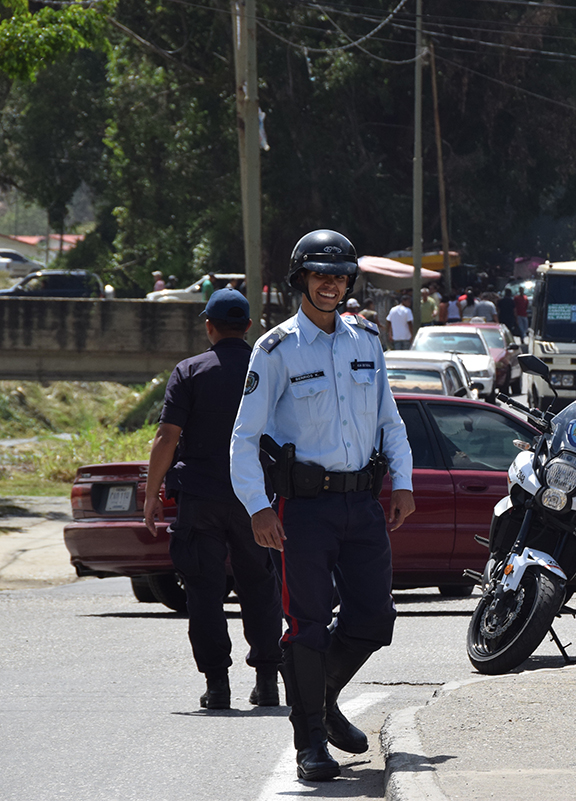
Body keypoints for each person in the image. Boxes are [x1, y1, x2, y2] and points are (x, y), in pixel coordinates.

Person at [230, 229, 416, 782]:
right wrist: (258, 507)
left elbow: (390, 420)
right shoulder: (275, 349)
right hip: (302, 512)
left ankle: (323, 697)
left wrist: (402, 481)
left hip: (362, 503)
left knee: (375, 619)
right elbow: (244, 437)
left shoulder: (366, 341)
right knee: (307, 624)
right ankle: (310, 740)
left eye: (339, 275)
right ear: (301, 280)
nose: (331, 284)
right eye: (320, 274)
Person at [143, 288, 283, 711]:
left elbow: (167, 436)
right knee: (260, 588)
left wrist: (151, 493)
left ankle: (218, 686)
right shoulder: (268, 369)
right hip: (253, 500)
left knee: (203, 591)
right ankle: (267, 682)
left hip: (200, 499)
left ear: (209, 326)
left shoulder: (189, 371)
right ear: (248, 327)